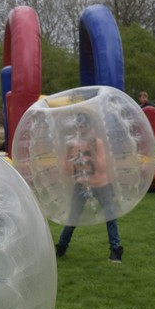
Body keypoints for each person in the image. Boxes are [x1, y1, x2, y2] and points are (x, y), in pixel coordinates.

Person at [54, 112, 124, 263]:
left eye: (84, 125)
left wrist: (92, 150)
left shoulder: (98, 143)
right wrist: (68, 155)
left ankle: (115, 250)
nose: (82, 128)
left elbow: (102, 168)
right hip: (82, 185)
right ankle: (61, 247)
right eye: (79, 126)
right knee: (73, 217)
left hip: (101, 184)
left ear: (90, 126)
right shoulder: (73, 145)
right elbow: (67, 171)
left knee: (111, 216)